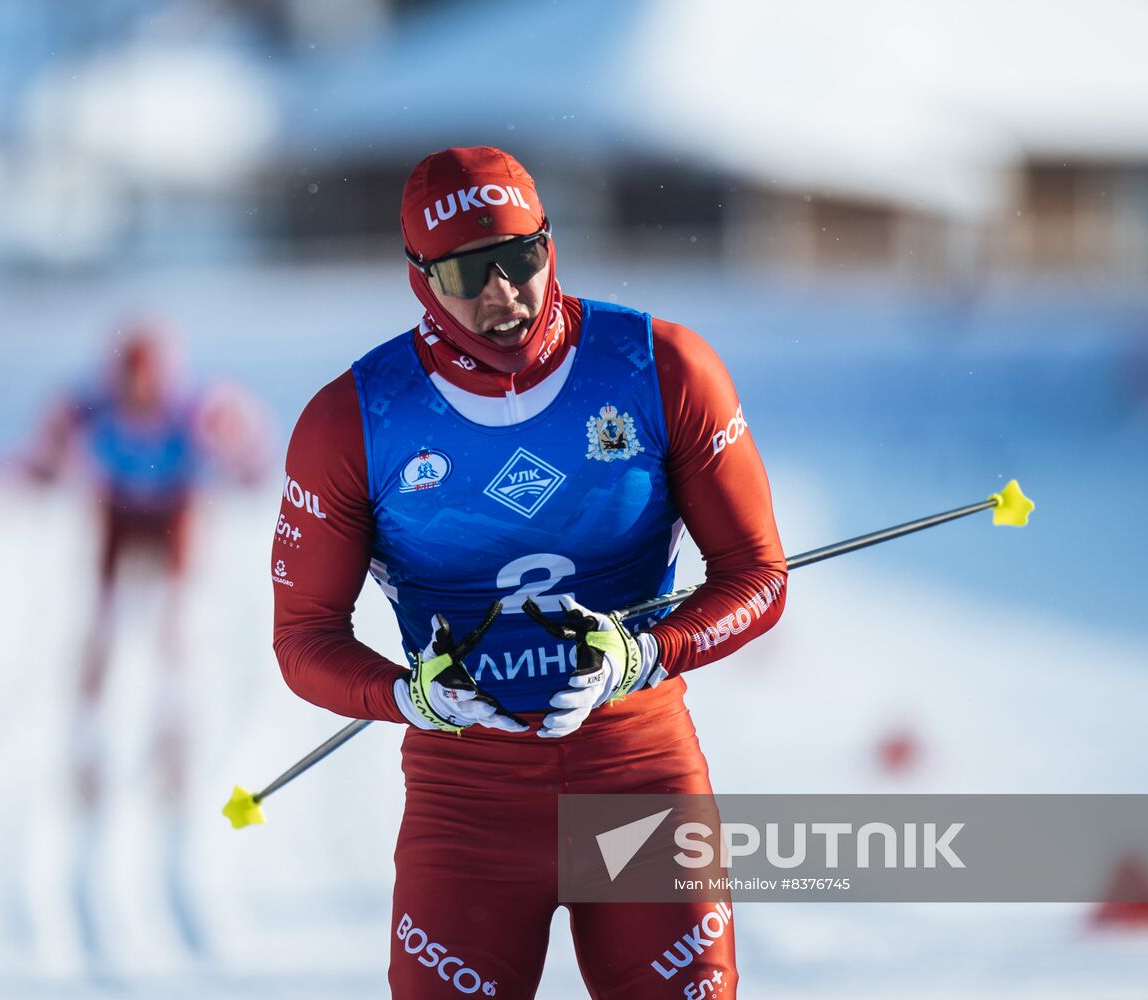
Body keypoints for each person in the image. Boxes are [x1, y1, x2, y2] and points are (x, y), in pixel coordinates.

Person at [271, 147, 787, 998]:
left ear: (550, 243)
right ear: (417, 278)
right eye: (467, 272)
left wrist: (644, 652)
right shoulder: (355, 418)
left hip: (638, 777)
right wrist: (410, 696)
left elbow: (757, 575)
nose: (502, 294)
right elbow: (303, 639)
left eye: (521, 257)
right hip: (466, 802)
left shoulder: (661, 367)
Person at [26, 320, 265, 806]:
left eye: (147, 378)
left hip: (175, 515)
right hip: (118, 514)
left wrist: (247, 467)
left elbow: (242, 434)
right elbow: (50, 441)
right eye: (129, 377)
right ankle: (87, 736)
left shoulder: (191, 408)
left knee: (175, 626)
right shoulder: (91, 407)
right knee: (103, 623)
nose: (138, 390)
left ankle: (175, 737)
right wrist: (37, 471)